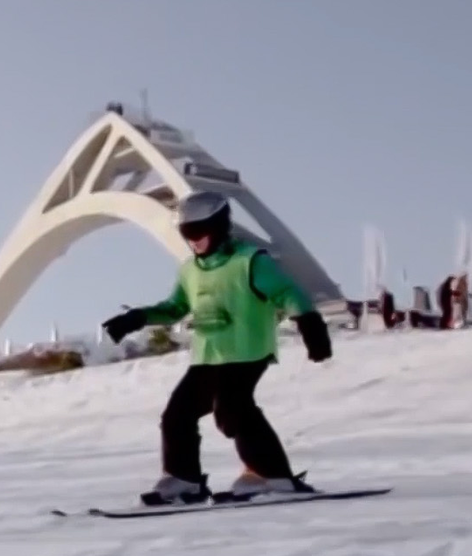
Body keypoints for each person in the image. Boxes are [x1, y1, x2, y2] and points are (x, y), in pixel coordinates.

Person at [102, 191, 334, 505]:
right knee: (177, 416)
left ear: (220, 226)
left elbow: (288, 293)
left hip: (247, 352)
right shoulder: (190, 270)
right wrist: (137, 317)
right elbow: (174, 308)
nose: (193, 241)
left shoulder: (250, 260)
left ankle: (271, 475)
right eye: (187, 234)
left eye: (199, 232)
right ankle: (185, 481)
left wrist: (310, 326)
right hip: (207, 356)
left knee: (232, 411)